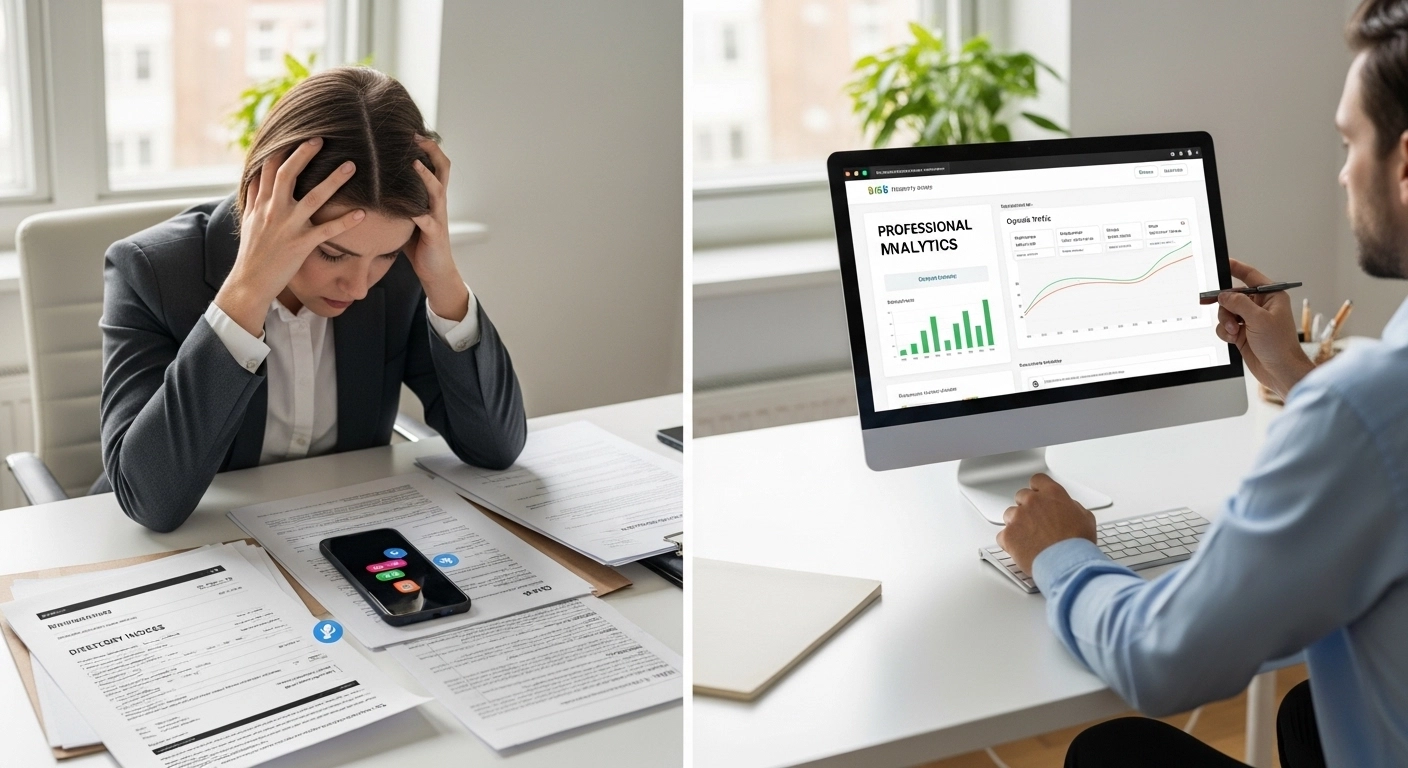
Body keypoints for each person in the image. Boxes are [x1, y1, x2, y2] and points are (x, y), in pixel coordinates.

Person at [996, 1, 1408, 765]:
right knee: (1310, 715)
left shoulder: (1376, 407)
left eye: (1351, 141)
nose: (1343, 171)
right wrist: (1298, 374)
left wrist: (1062, 553)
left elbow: (1160, 659)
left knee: (1116, 753)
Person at [97, 67, 526, 533]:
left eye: (383, 254)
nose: (359, 287)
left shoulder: (402, 270)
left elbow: (495, 449)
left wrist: (443, 278)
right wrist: (248, 290)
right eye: (331, 252)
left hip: (340, 535)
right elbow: (149, 502)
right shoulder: (151, 271)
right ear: (263, 197)